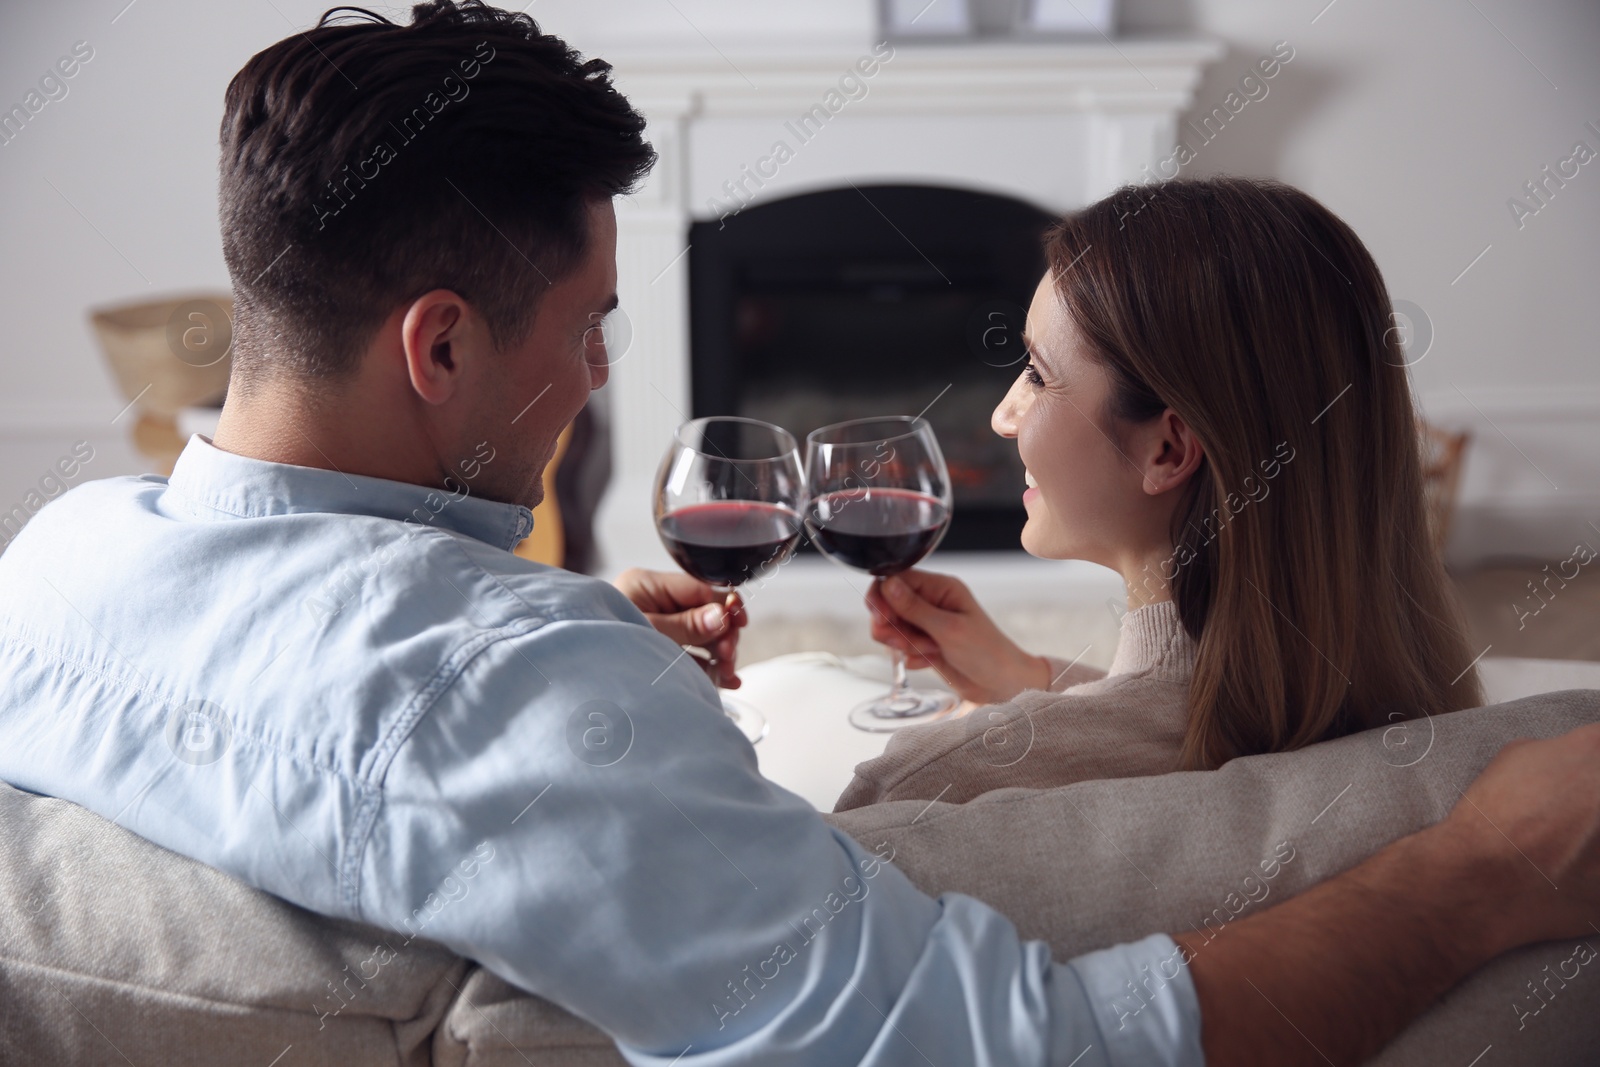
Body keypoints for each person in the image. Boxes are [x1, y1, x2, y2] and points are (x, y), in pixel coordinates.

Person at [0, 4, 1596, 1065]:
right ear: (438, 348)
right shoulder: (515, 684)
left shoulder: (55, 562)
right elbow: (1016, 1037)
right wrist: (1471, 871)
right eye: (593, 321)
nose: (602, 371)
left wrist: (560, 662)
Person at [838, 176, 1488, 809]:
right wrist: (1030, 677)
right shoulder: (1418, 718)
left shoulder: (925, 785)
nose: (1002, 417)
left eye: (1037, 374)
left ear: (1168, 450)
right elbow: (1172, 714)